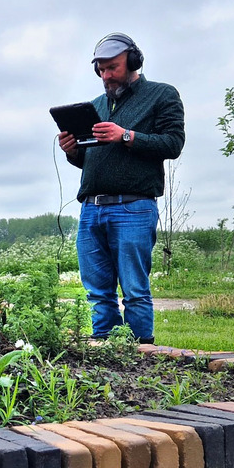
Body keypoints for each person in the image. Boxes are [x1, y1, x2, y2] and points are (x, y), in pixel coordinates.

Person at [58, 32, 185, 343]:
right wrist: (72, 151)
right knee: (97, 292)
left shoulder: (162, 95)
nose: (106, 76)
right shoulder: (95, 106)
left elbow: (173, 143)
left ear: (133, 62)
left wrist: (125, 135)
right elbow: (89, 160)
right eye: (101, 69)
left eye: (112, 67)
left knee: (134, 290)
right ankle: (105, 350)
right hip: (91, 210)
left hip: (133, 207)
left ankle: (143, 355)